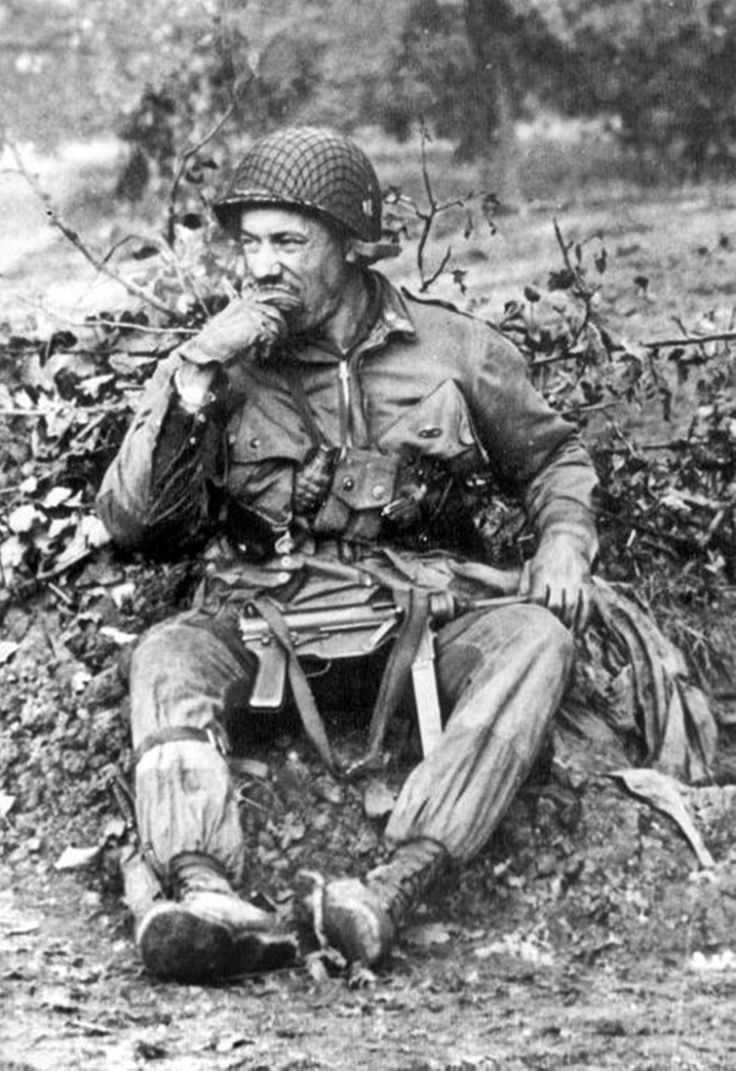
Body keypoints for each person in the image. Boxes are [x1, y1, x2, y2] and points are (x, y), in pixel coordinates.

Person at [97, 126, 598, 984]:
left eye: (289, 241)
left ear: (351, 246)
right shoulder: (214, 363)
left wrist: (561, 540)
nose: (262, 267)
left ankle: (394, 887)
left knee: (537, 639)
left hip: (424, 626)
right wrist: (189, 384)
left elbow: (554, 458)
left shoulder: (452, 349)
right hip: (266, 628)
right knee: (167, 652)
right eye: (250, 244)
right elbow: (136, 524)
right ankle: (203, 892)